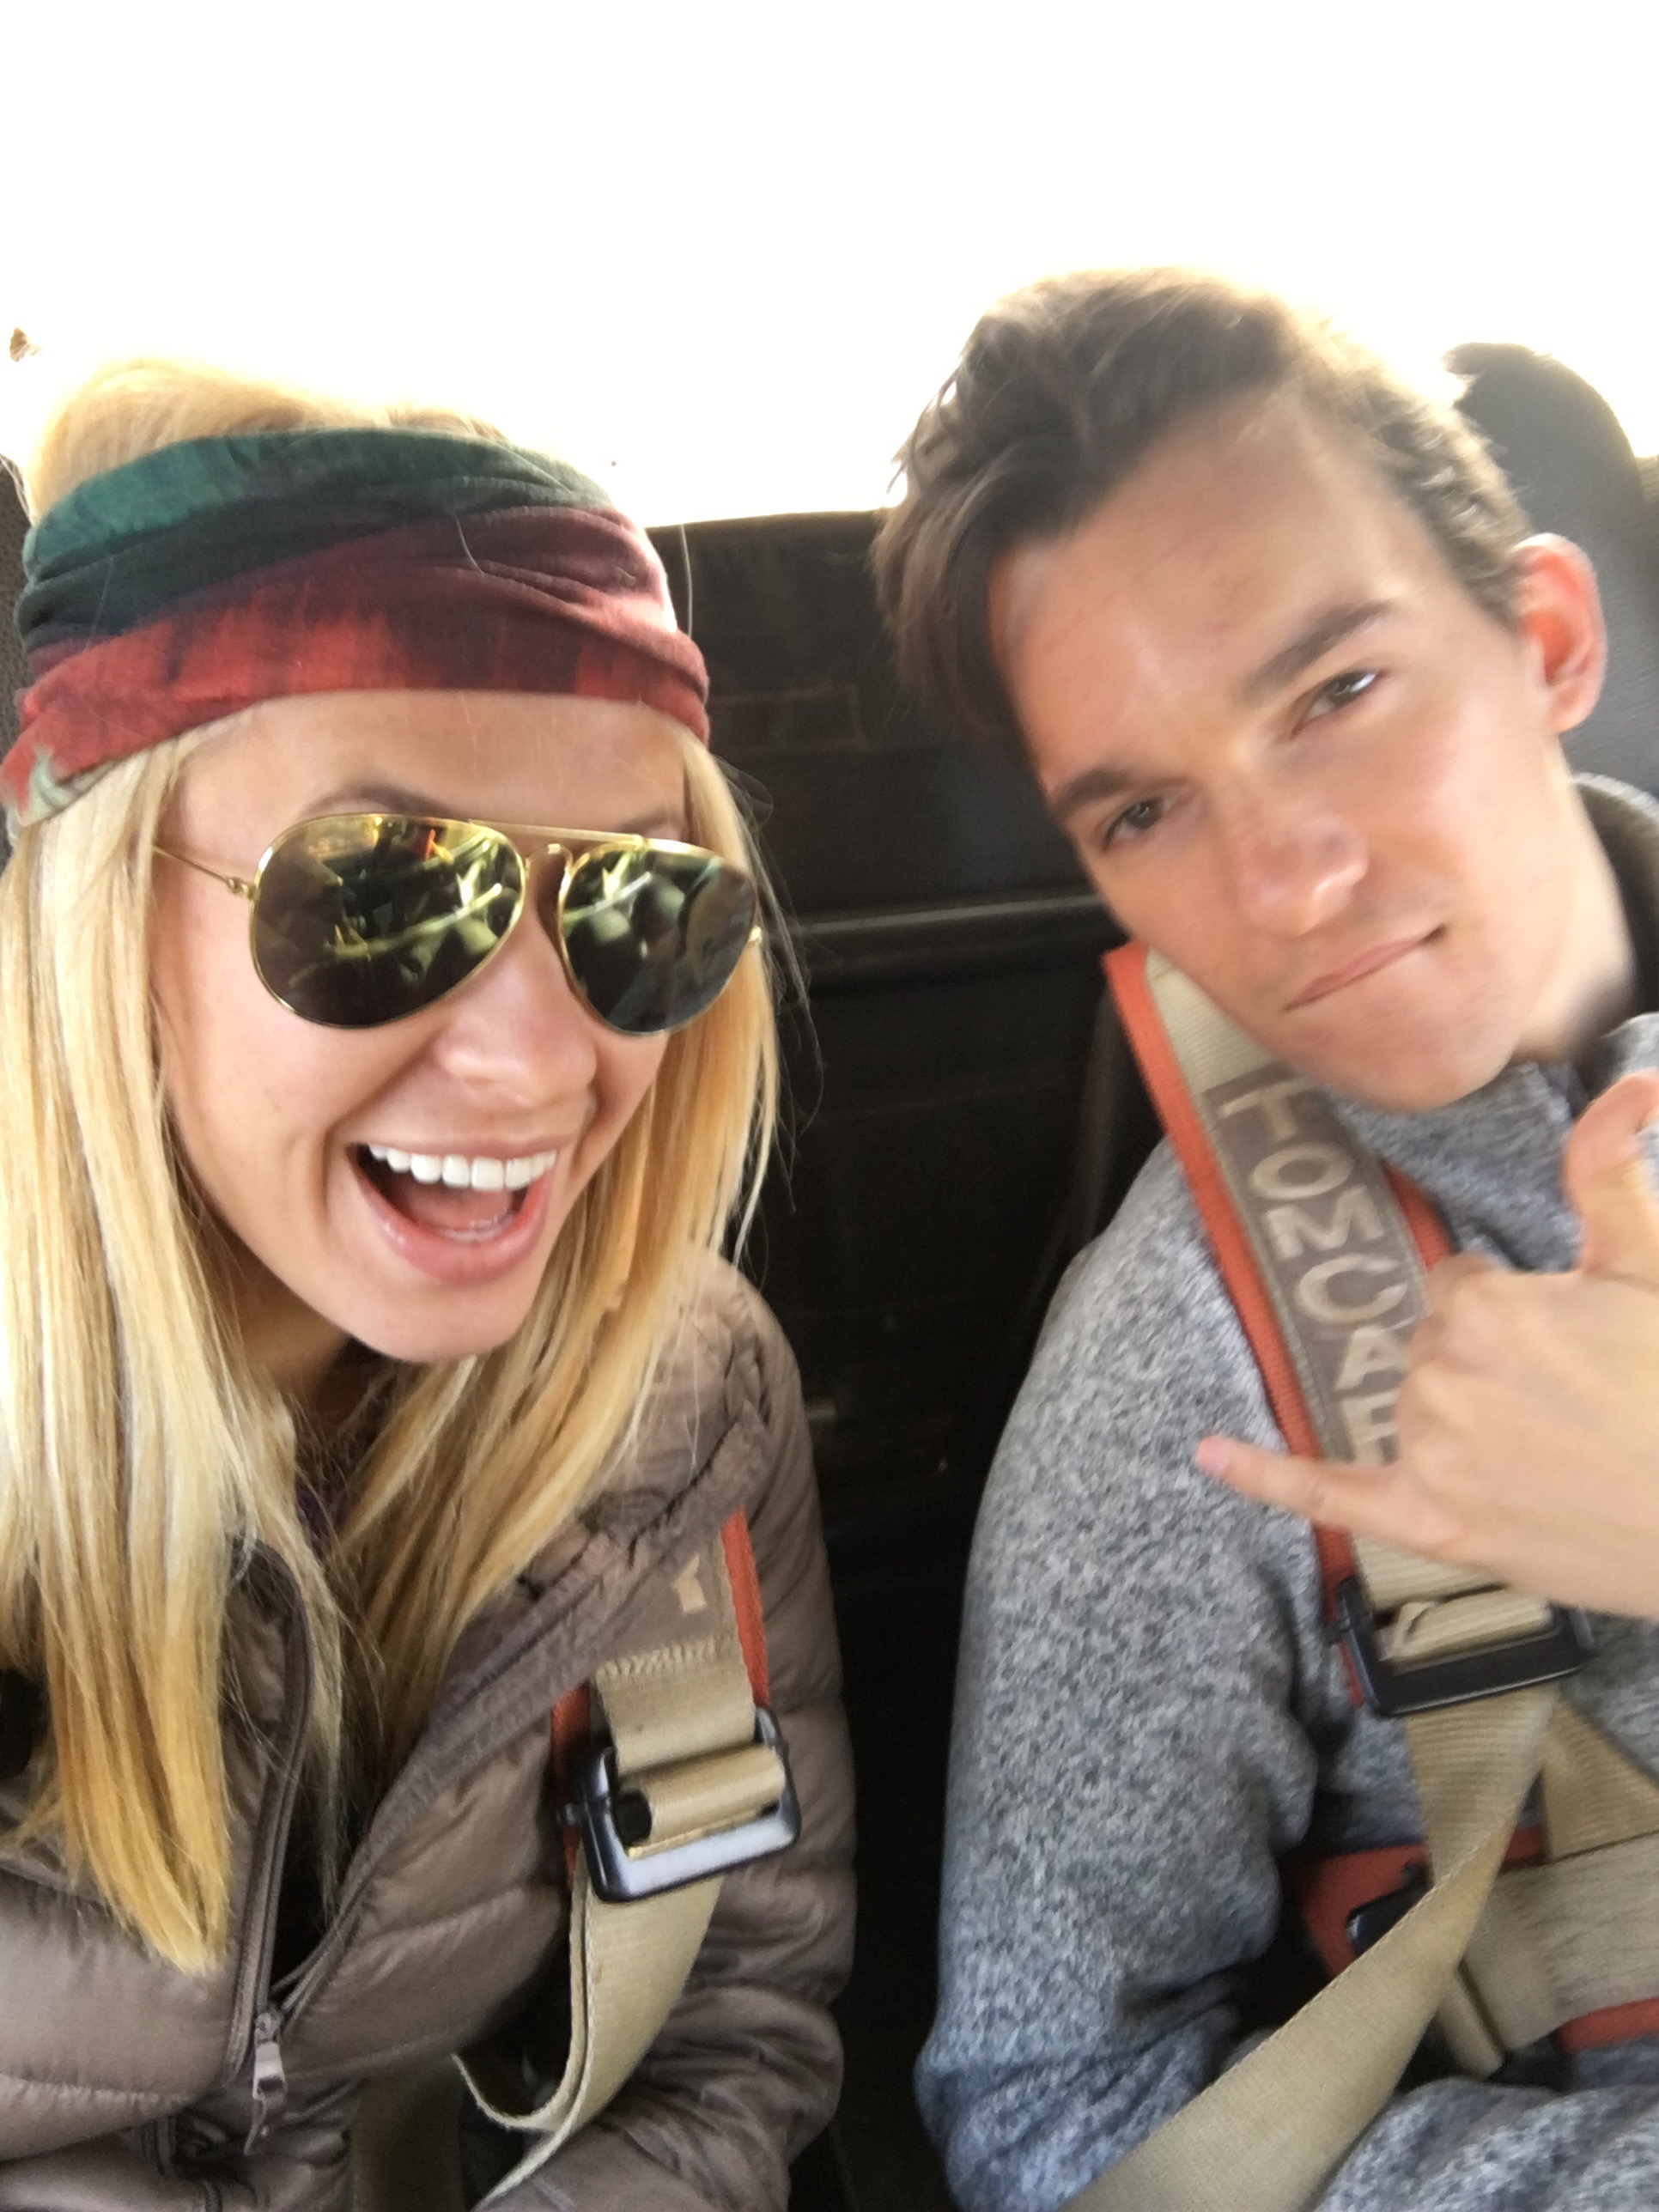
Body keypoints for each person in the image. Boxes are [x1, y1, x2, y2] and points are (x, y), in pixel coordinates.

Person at [0, 360, 854, 2211]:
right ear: (102, 910)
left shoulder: (689, 1409)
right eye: (386, 894)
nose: (541, 1063)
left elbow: (732, 2030)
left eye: (634, 904)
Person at [875, 270, 1659, 2211]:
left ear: (1549, 637)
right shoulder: (1187, 1371)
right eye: (1147, 809)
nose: (1288, 882)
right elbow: (1059, 2116)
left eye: (1337, 694)